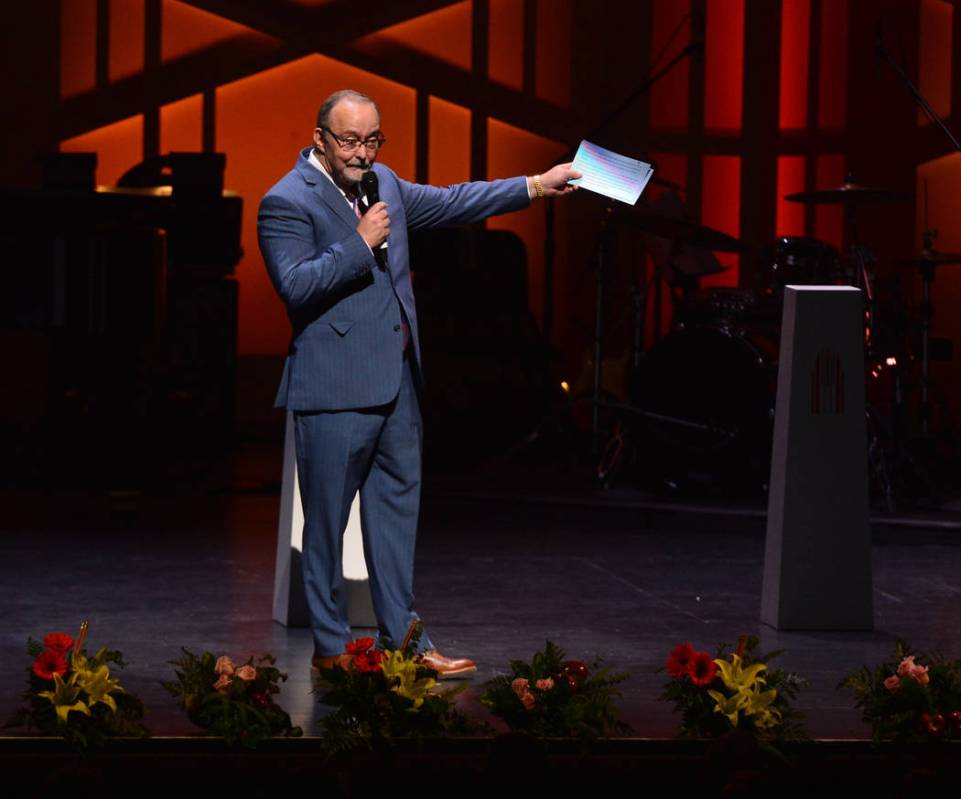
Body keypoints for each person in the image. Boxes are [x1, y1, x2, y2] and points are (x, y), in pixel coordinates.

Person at [258, 89, 579, 677]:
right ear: (319, 138)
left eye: (372, 140)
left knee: (395, 523)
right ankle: (333, 653)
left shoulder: (386, 185)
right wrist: (359, 243)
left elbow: (456, 200)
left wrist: (536, 184)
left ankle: (405, 641)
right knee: (326, 527)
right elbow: (296, 287)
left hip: (398, 386)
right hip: (333, 390)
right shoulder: (285, 201)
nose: (362, 153)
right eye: (350, 141)